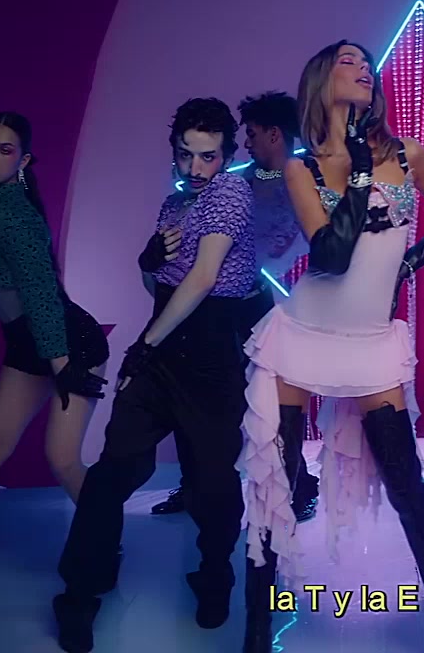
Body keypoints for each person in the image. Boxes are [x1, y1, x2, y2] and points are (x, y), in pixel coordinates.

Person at [237, 41, 424, 652]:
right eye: (348, 60)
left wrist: (406, 266)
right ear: (321, 78)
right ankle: (255, 632)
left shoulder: (408, 154)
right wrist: (360, 168)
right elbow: (332, 257)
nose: (364, 68)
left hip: (369, 342)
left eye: (368, 63)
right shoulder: (300, 168)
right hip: (301, 336)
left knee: (407, 483)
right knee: (275, 484)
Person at [51, 98, 255, 653]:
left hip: (209, 359)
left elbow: (204, 279)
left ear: (227, 154)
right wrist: (147, 264)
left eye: (208, 156)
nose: (196, 167)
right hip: (163, 352)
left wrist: (143, 345)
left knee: (213, 484)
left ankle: (215, 577)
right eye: (186, 154)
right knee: (114, 470)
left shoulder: (231, 191)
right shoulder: (174, 203)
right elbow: (161, 289)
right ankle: (80, 591)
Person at [147, 91, 321, 524]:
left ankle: (299, 485)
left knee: (273, 405)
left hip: (261, 306)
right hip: (214, 308)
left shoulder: (305, 180)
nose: (246, 143)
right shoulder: (234, 180)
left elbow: (319, 241)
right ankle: (193, 485)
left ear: (274, 134)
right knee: (195, 398)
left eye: (253, 134)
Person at [0, 112, 109, 539]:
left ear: (22, 161)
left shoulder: (15, 216)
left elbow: (41, 296)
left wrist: (62, 368)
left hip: (69, 345)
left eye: (5, 150)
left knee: (62, 458)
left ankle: (102, 540)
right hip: (27, 344)